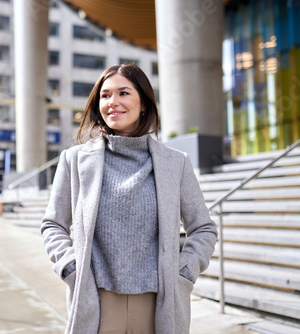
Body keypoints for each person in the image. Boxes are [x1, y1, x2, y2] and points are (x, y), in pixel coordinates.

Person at [41, 63, 218, 334]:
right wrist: (70, 268)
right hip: (95, 301)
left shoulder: (176, 163)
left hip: (158, 304)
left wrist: (185, 272)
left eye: (123, 93)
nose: (113, 102)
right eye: (105, 95)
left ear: (144, 103)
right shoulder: (74, 160)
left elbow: (203, 228)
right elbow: (53, 224)